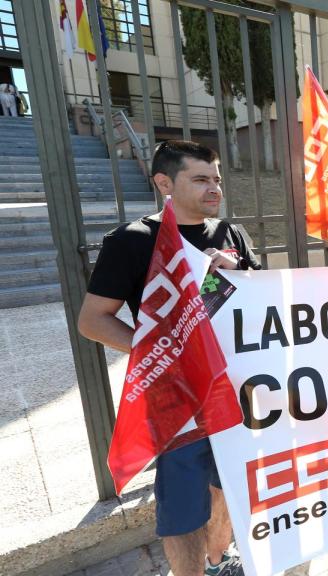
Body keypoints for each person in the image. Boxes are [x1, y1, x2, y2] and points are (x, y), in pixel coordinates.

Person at [78, 141, 257, 576]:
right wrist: (168, 356)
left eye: (215, 178)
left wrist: (239, 272)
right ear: (164, 183)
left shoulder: (230, 234)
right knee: (181, 505)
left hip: (237, 386)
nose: (214, 188)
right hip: (178, 398)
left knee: (227, 483)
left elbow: (259, 296)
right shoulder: (133, 240)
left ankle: (220, 561)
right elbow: (92, 320)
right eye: (200, 179)